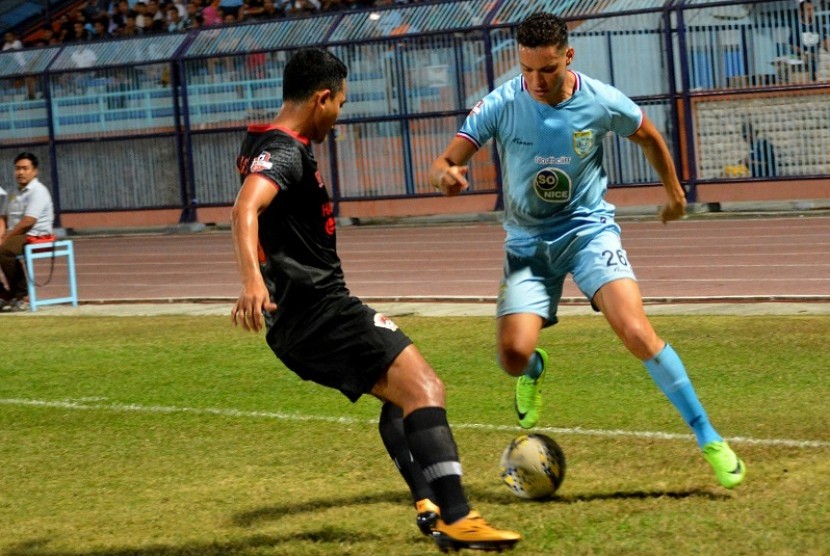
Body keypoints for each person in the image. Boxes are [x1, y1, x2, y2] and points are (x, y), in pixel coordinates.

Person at [428, 12, 746, 490]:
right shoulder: (500, 103)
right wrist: (446, 176)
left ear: (568, 57)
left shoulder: (599, 100)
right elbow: (446, 159)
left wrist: (675, 194)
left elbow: (648, 134)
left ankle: (708, 436)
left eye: (548, 69)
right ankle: (534, 369)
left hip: (589, 232)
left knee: (637, 332)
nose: (536, 80)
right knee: (513, 355)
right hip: (527, 243)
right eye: (526, 69)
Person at [230, 48, 521, 552]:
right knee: (426, 386)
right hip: (320, 311)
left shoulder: (261, 140)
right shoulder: (285, 150)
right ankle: (459, 517)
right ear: (321, 98)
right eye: (339, 103)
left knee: (401, 394)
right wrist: (252, 279)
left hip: (302, 318)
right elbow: (244, 208)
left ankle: (430, 504)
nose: (340, 115)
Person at [0, 153, 55, 312]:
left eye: (25, 168)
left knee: (4, 251)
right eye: (17, 168)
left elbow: (28, 222)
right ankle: (4, 294)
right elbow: (3, 218)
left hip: (35, 235)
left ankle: (23, 295)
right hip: (14, 234)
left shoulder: (39, 191)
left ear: (35, 171)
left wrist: (6, 238)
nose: (21, 172)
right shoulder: (12, 192)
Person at [791, 0, 830, 81]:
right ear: (802, 12)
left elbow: (826, 43)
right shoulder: (797, 27)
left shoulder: (818, 25)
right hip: (804, 64)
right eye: (808, 10)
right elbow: (792, 45)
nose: (811, 12)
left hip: (818, 62)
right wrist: (805, 53)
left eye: (811, 9)